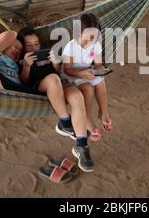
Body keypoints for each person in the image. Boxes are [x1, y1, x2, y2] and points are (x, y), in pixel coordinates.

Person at [17, 27, 94, 172]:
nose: (34, 47)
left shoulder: (46, 55)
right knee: (53, 79)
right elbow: (23, 82)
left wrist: (55, 64)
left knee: (77, 97)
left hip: (58, 84)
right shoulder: (22, 61)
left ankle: (81, 147)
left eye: (37, 43)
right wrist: (26, 66)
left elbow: (58, 73)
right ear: (23, 47)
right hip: (39, 86)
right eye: (29, 45)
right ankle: (65, 122)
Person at [62, 13, 113, 142]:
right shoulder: (71, 47)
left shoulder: (95, 44)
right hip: (73, 75)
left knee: (101, 81)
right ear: (79, 32)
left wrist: (100, 71)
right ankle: (88, 119)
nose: (92, 40)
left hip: (88, 72)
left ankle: (103, 112)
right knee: (87, 89)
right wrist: (81, 74)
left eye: (95, 36)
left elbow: (98, 64)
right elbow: (67, 69)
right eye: (89, 37)